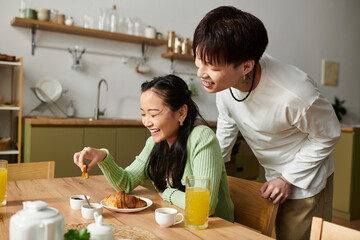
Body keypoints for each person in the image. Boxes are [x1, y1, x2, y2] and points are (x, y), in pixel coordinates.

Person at [193, 6, 341, 240]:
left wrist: (287, 178)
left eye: (212, 66)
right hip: (273, 172)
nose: (201, 73)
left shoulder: (295, 94)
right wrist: (205, 168)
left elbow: (328, 135)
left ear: (246, 67)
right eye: (199, 60)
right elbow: (227, 125)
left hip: (305, 179)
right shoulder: (224, 82)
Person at [73, 74, 234, 222]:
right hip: (178, 222)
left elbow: (204, 206)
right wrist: (103, 157)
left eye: (154, 114)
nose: (147, 122)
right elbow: (126, 183)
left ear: (181, 113)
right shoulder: (155, 143)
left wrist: (168, 194)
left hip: (215, 229)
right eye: (143, 114)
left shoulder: (202, 137)